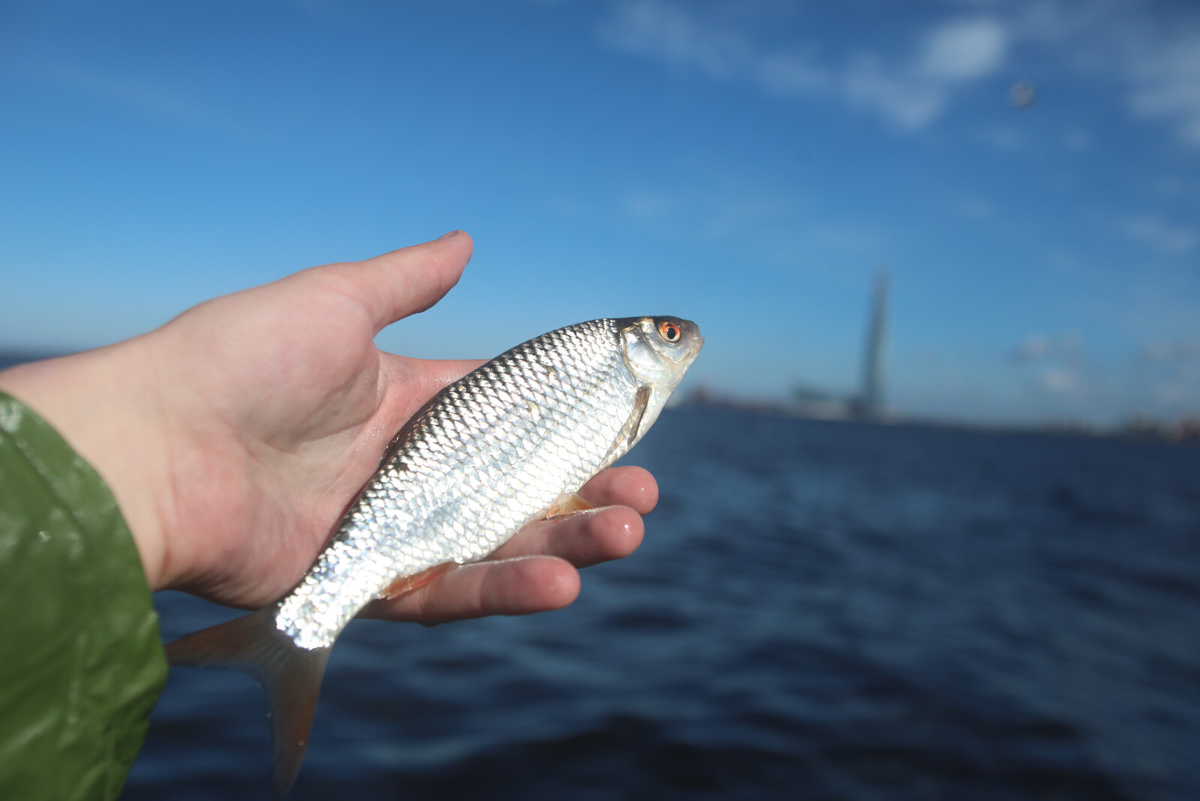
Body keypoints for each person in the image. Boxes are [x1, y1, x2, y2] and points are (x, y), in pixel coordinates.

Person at [0, 231, 657, 800]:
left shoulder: (604, 364)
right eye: (668, 333)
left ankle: (286, 643)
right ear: (641, 347)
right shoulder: (610, 358)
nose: (679, 338)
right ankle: (294, 639)